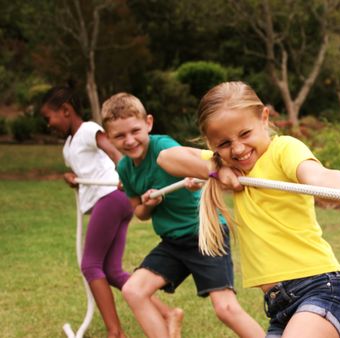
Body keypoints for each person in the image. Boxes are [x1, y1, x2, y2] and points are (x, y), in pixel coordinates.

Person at [157, 81, 340, 338]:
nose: (237, 148)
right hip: (279, 308)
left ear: (264, 118)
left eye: (245, 134)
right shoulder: (227, 165)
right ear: (211, 143)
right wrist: (216, 169)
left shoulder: (283, 150)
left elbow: (317, 175)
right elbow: (166, 158)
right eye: (224, 143)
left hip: (322, 291)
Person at [100, 92, 264, 338]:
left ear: (148, 123)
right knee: (133, 290)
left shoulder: (162, 145)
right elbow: (140, 213)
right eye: (119, 136)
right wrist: (151, 203)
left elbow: (191, 164)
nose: (130, 140)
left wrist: (196, 179)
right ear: (108, 138)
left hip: (205, 232)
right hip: (173, 241)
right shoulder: (124, 168)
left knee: (225, 308)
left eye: (135, 131)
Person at [40, 85, 141, 338]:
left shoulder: (87, 130)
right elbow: (87, 169)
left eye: (48, 117)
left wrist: (126, 175)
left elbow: (114, 152)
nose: (48, 124)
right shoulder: (69, 146)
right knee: (112, 271)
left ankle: (115, 332)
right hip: (112, 201)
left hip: (111, 196)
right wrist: (74, 177)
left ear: (65, 110)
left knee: (90, 265)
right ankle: (164, 313)